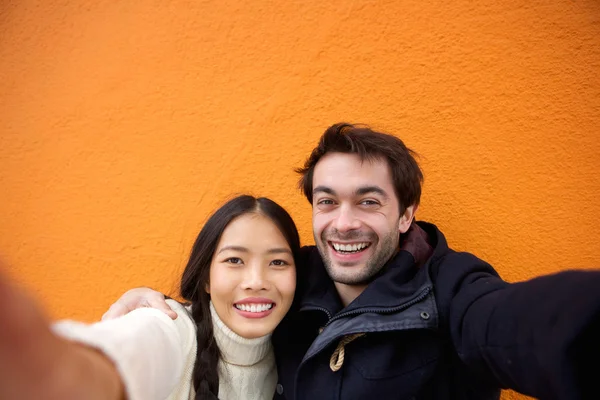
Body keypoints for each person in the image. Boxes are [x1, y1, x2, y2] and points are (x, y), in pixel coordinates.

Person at [107, 123, 600, 400]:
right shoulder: (291, 280)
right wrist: (151, 307)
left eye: (368, 201)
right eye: (327, 201)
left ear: (407, 214)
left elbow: (514, 323)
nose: (343, 223)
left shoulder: (450, 287)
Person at [0, 194, 301, 400]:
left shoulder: (300, 349)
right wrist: (58, 372)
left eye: (278, 262)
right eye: (234, 260)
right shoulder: (173, 327)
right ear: (206, 278)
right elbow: (132, 350)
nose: (256, 282)